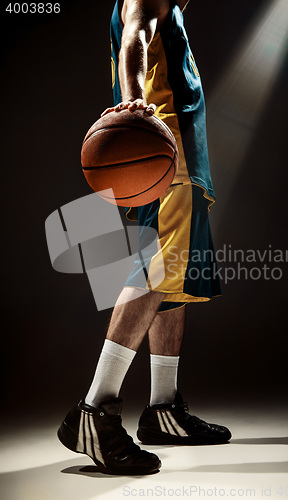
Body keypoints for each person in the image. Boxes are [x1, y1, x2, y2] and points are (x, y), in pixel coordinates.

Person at [57, 0, 231, 475]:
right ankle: (93, 411)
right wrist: (136, 103)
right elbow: (134, 38)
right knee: (156, 269)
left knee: (168, 278)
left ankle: (163, 409)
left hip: (167, 156)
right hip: (162, 153)